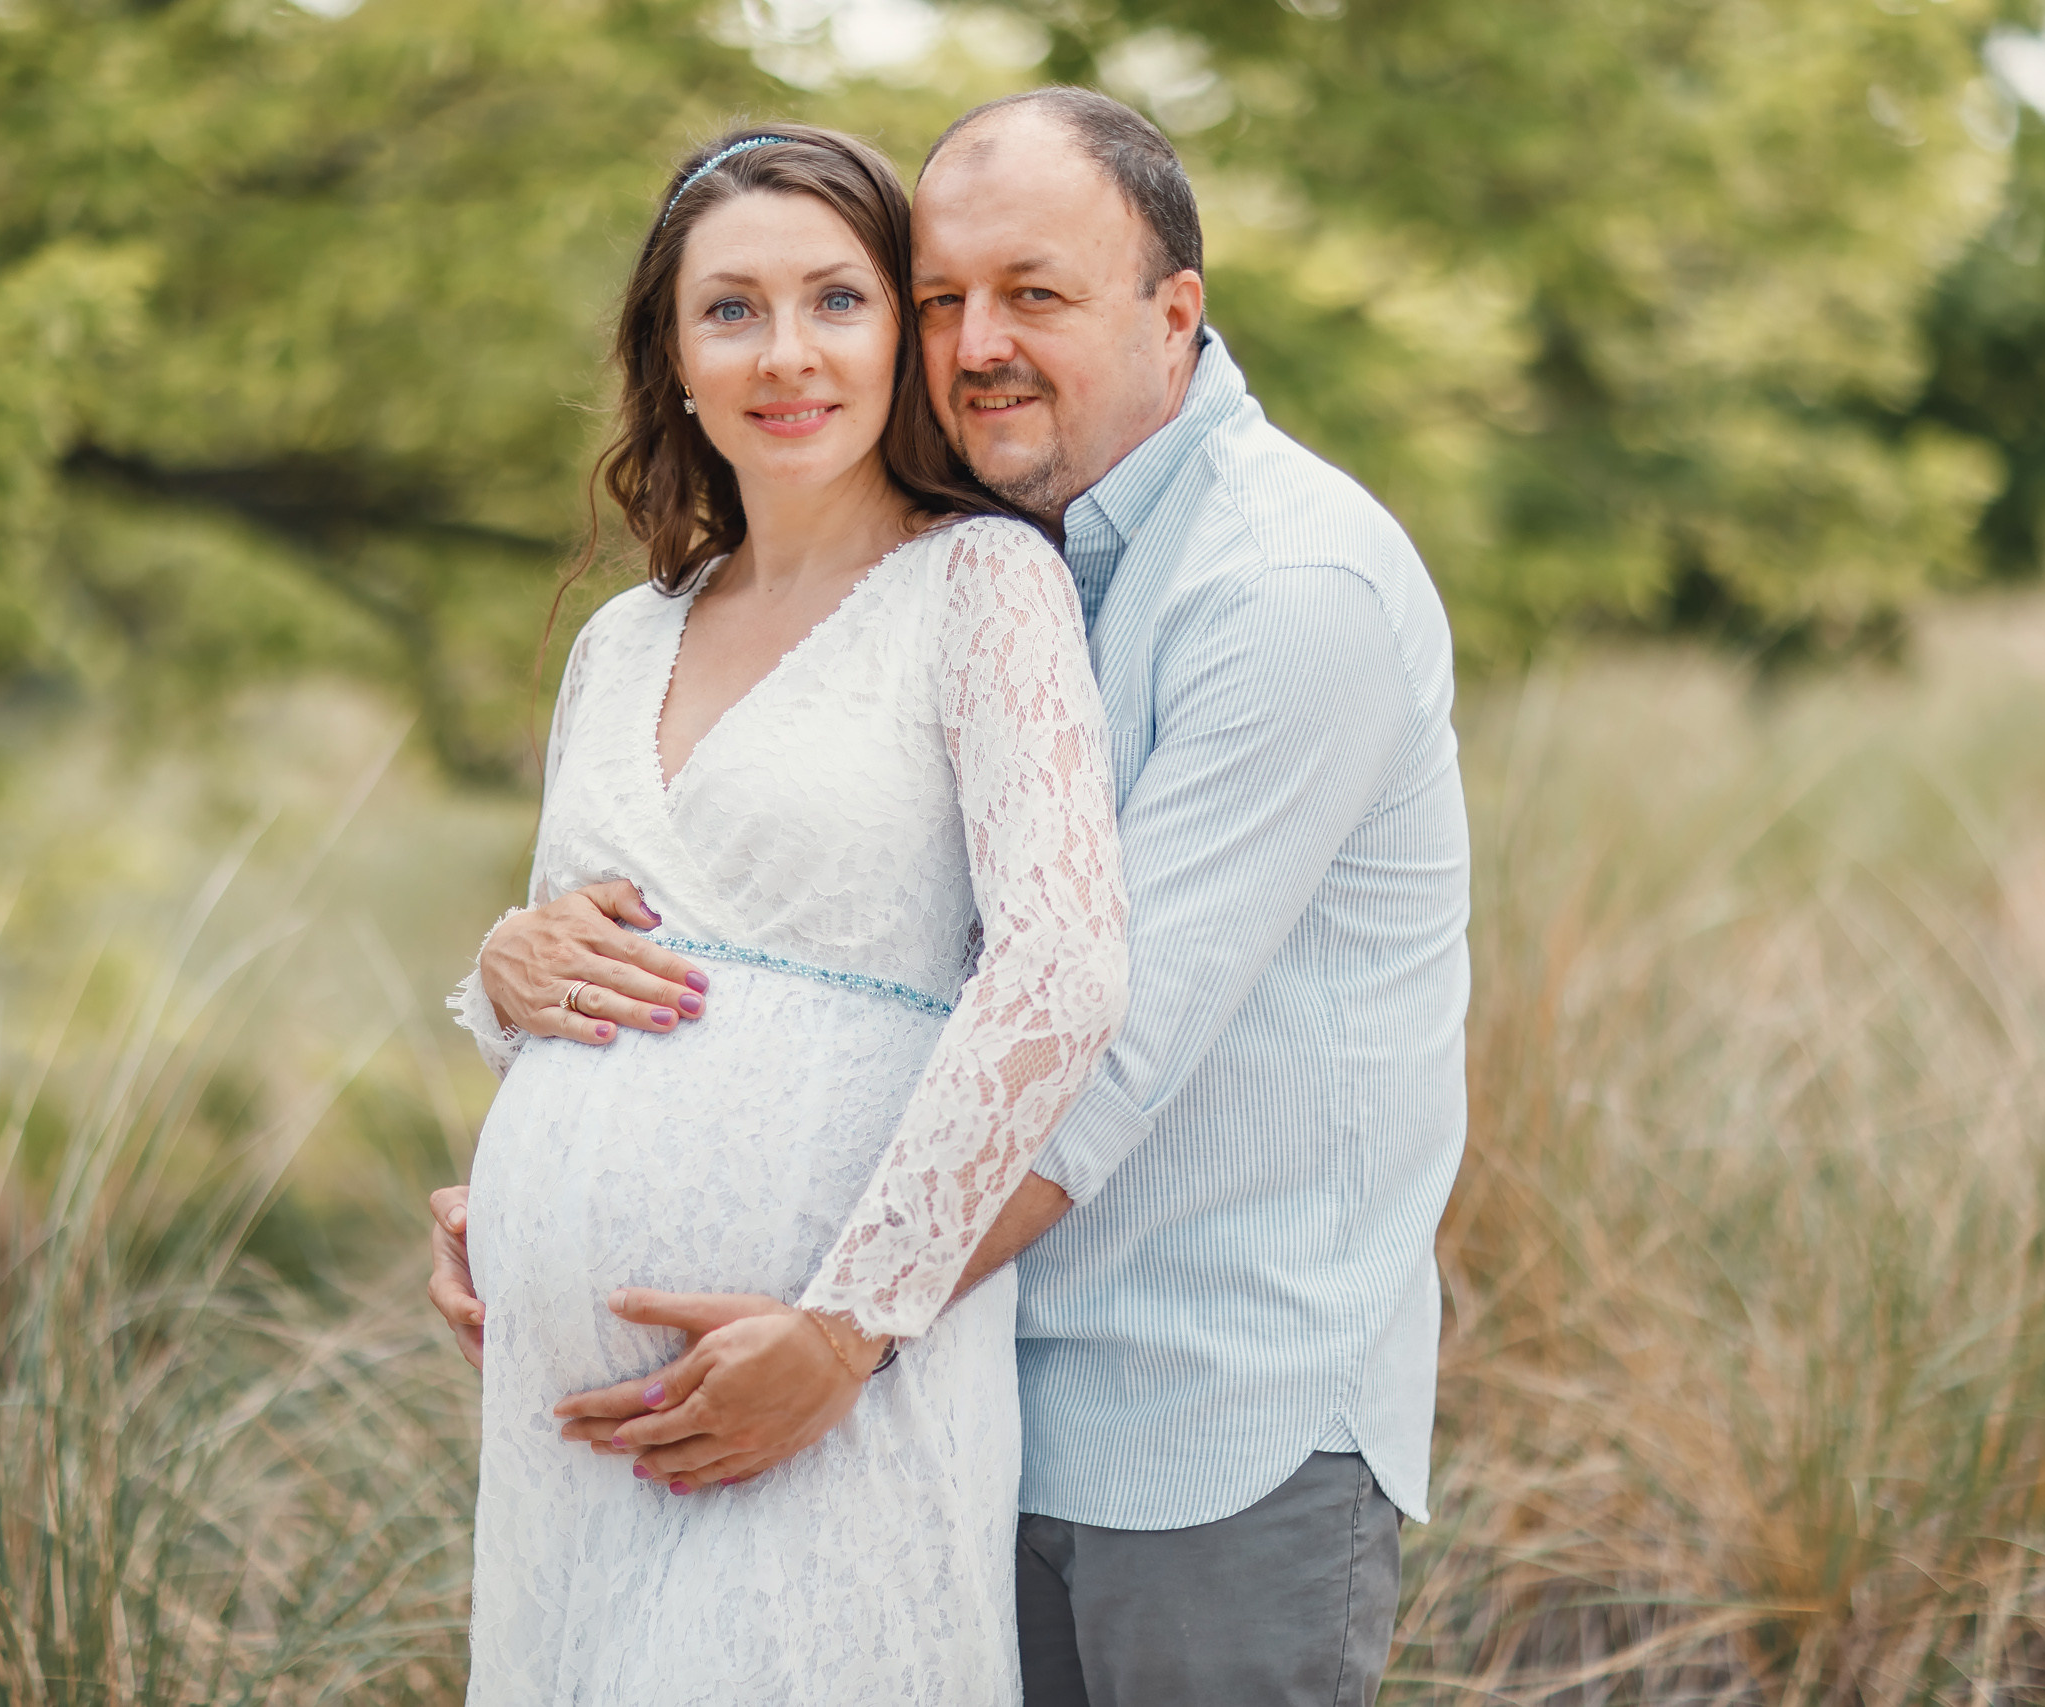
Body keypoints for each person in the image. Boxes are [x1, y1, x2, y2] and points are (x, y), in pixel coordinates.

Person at [434, 89, 1470, 1707]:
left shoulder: (1280, 587)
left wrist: (847, 1327)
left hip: (1196, 1411)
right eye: (940, 298)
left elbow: (1098, 1034)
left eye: (1036, 294)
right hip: (956, 1371)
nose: (974, 340)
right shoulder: (998, 547)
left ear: (1175, 310)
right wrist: (525, 1161)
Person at [440, 121, 1128, 1703]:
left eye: (836, 300)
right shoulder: (621, 641)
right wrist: (502, 987)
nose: (786, 353)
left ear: (902, 334)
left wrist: (851, 1320)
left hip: (829, 1386)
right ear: (672, 356)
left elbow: (1064, 972)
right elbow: (589, 979)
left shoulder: (984, 591)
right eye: (730, 310)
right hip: (565, 1426)